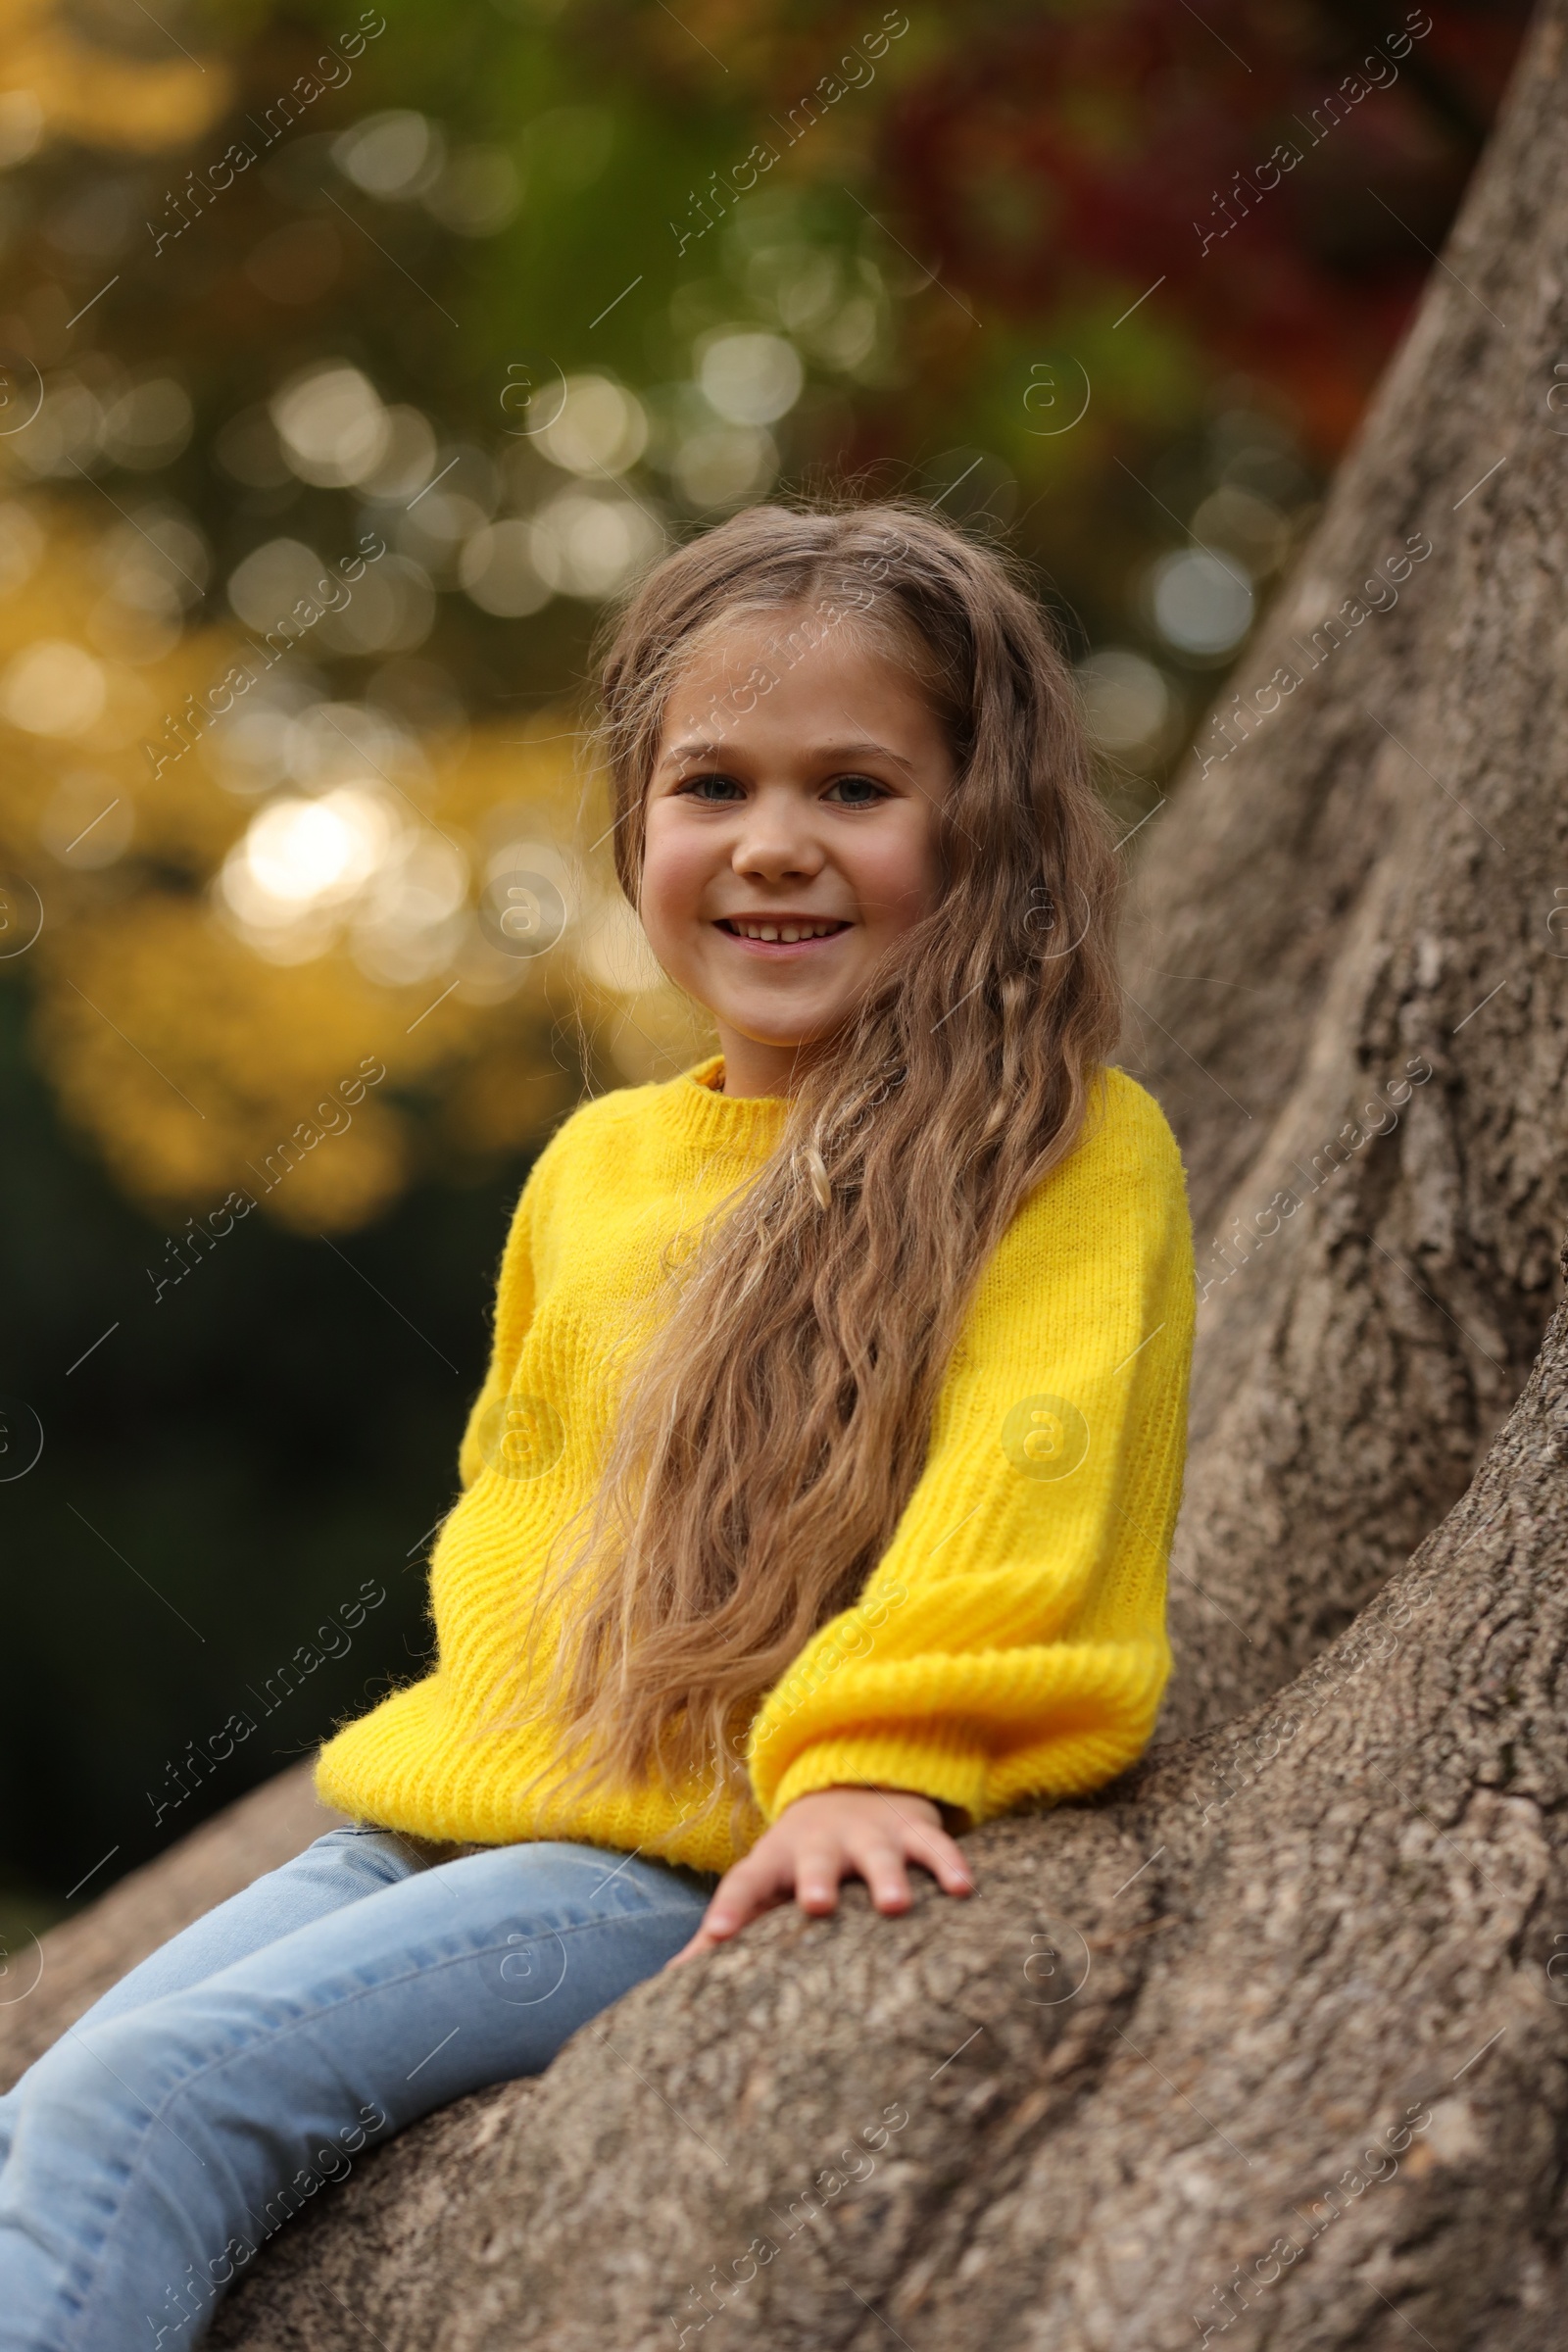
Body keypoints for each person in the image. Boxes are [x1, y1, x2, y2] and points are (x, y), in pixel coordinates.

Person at [0, 501, 1195, 2347]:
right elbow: (517, 1509)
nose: (773, 848)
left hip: (665, 1848)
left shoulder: (1061, 1148)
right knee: (47, 2110)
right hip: (425, 1827)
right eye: (712, 785)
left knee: (138, 2108)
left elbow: (1034, 1479)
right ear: (638, 822)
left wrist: (883, 1747)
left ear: (985, 825)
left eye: (856, 789)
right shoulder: (601, 1162)